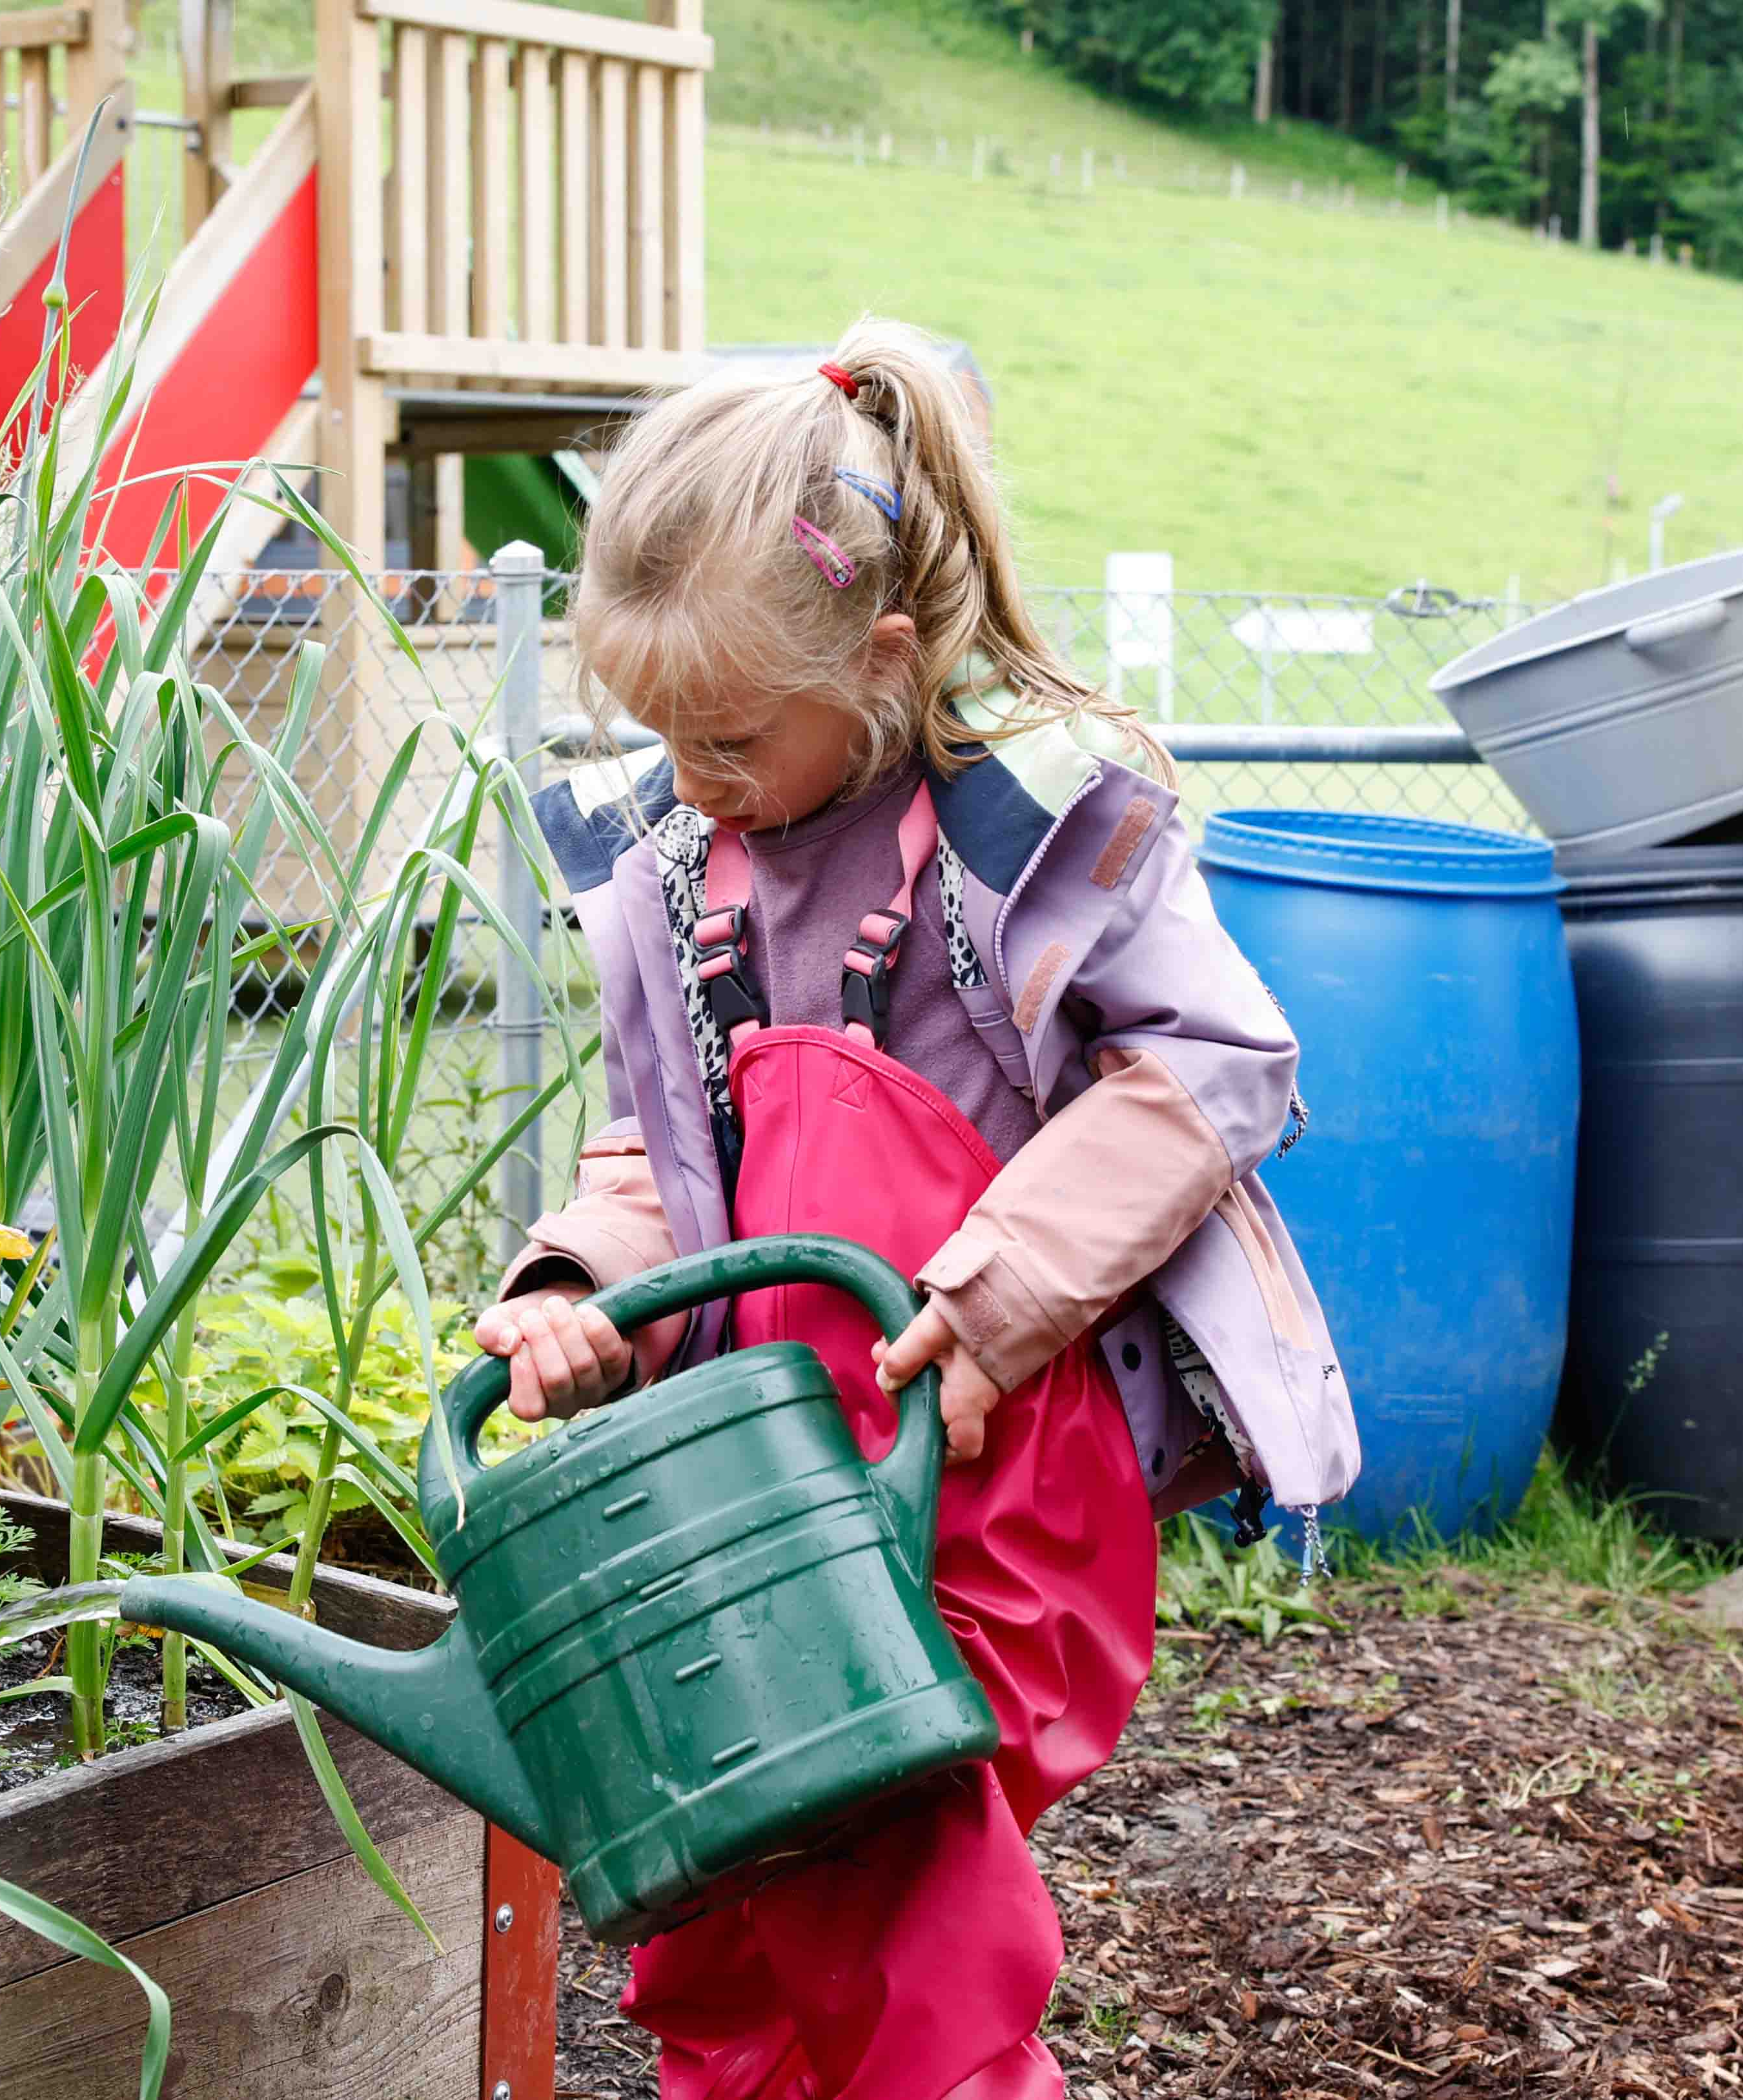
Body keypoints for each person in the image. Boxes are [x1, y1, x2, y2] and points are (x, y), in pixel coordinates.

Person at [470, 318, 1361, 2100]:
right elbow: (662, 1152)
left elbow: (1216, 1064)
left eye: (728, 737)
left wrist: (1008, 1280)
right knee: (712, 1898)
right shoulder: (677, 871)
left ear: (879, 660)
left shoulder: (1016, 836)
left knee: (894, 1880)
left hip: (985, 1455)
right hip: (759, 1480)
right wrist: (585, 1289)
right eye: (662, 737)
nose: (696, 779)